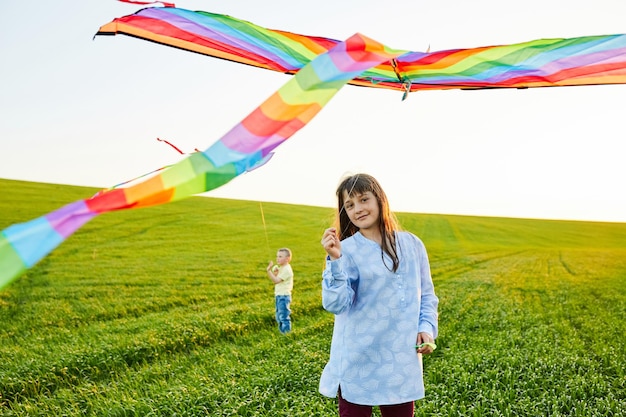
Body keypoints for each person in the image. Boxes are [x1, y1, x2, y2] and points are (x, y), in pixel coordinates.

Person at [319, 173, 439, 417]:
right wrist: (334, 259)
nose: (358, 209)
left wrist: (426, 327)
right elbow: (336, 304)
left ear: (379, 200)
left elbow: (427, 294)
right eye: (349, 205)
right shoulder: (345, 249)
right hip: (357, 360)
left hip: (400, 360)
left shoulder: (412, 244)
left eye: (364, 200)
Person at [265, 248, 294, 334]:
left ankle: (286, 334)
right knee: (278, 316)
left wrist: (268, 271)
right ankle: (282, 332)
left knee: (283, 316)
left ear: (287, 259)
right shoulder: (282, 268)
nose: (277, 258)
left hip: (284, 296)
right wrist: (275, 272)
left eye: (280, 256)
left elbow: (276, 281)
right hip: (279, 295)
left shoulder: (287, 270)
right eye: (277, 256)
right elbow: (277, 278)